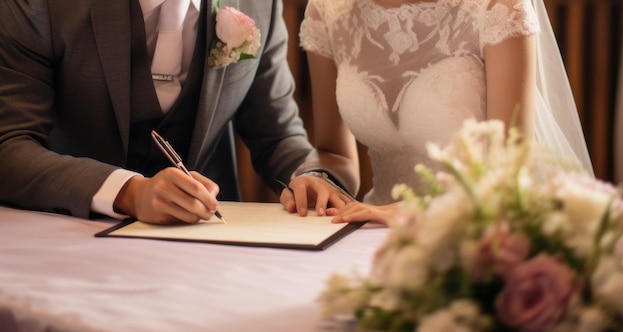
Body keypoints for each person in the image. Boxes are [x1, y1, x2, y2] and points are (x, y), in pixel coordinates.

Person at [0, 0, 357, 224]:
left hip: (210, 244)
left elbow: (277, 136)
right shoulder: (39, 6)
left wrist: (311, 178)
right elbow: (9, 146)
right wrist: (128, 192)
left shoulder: (259, 4)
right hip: (71, 236)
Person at [280, 0, 594, 224]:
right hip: (371, 232)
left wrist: (418, 212)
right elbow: (336, 155)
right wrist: (317, 176)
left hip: (483, 230)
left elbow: (511, 175)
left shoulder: (498, 8)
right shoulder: (327, 11)